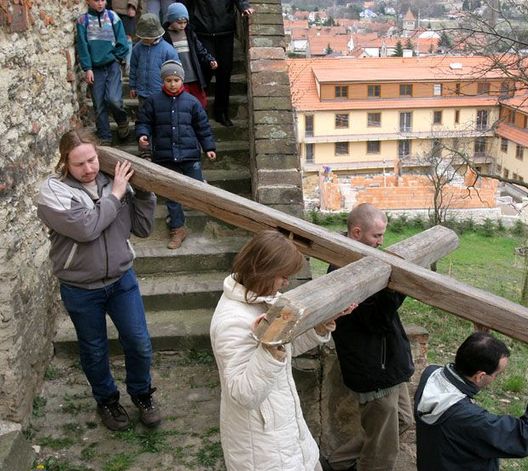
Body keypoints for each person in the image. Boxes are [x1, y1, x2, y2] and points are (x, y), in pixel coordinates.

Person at [35, 128, 160, 431]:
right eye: (79, 164)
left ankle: (142, 394)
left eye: (92, 160)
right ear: (65, 162)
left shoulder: (114, 180)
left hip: (121, 279)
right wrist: (117, 194)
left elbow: (142, 229)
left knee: (139, 342)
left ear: (99, 154)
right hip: (80, 287)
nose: (88, 169)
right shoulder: (53, 192)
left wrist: (144, 192)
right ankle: (107, 400)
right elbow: (87, 228)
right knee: (93, 349)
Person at [210, 230, 356, 470]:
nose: (287, 282)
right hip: (260, 444)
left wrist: (320, 323)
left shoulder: (265, 299)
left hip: (286, 427)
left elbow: (285, 350)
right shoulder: (231, 321)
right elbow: (243, 394)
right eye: (283, 276)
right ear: (263, 270)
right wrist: (269, 349)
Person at [326, 203, 415, 471]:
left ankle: (337, 464)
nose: (381, 242)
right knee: (381, 455)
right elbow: (375, 321)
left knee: (401, 421)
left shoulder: (364, 260)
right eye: (377, 236)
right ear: (356, 232)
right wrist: (399, 287)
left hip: (388, 364)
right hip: (374, 369)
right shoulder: (345, 272)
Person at [414, 332, 528, 471]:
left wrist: (480, 338)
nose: (496, 379)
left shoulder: (431, 374)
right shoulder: (470, 419)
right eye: (497, 374)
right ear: (480, 376)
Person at [136, 60, 216, 249]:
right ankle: (177, 229)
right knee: (172, 194)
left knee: (195, 188)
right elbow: (143, 121)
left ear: (182, 80)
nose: (172, 84)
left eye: (176, 80)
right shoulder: (153, 102)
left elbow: (202, 127)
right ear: (163, 81)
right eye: (169, 80)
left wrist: (209, 147)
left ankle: (199, 187)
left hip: (190, 155)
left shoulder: (192, 102)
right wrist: (142, 134)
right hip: (165, 156)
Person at [181, 0, 255, 126]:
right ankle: (197, 108)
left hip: (225, 29)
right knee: (205, 70)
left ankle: (221, 112)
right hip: (202, 29)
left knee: (224, 72)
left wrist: (244, 6)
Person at [76, 0, 130, 145]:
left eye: (102, 0)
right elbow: (82, 46)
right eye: (96, 0)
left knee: (114, 99)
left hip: (112, 65)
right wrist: (87, 68)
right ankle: (105, 136)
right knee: (99, 104)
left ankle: (122, 120)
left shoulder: (113, 17)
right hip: (95, 68)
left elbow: (123, 42)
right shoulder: (82, 21)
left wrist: (116, 57)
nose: (100, 3)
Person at [163, 2, 218, 109]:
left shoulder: (189, 33)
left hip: (194, 77)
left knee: (201, 104)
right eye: (179, 22)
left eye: (185, 22)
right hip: (178, 79)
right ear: (171, 20)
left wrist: (209, 59)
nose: (183, 25)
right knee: (182, 106)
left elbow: (200, 49)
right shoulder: (165, 36)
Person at [129, 13, 180, 107]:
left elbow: (176, 71)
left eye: (149, 38)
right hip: (142, 93)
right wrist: (133, 86)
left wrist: (173, 87)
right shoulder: (137, 48)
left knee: (160, 117)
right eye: (144, 37)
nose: (146, 39)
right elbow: (133, 67)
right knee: (144, 117)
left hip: (162, 93)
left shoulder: (168, 50)